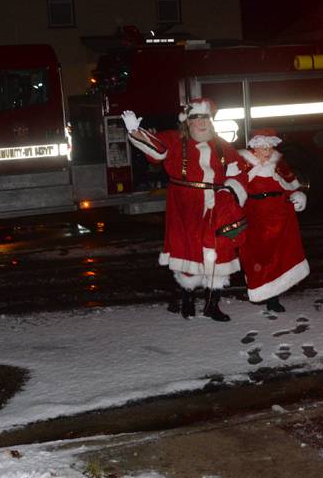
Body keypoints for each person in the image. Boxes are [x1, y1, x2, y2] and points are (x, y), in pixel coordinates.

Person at [122, 98, 248, 322]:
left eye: (204, 118)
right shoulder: (174, 139)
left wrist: (229, 191)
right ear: (187, 122)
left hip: (217, 206)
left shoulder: (222, 145)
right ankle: (187, 301)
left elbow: (238, 172)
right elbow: (157, 151)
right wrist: (135, 131)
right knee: (188, 250)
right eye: (195, 118)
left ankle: (212, 304)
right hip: (185, 205)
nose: (200, 123)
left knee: (219, 251)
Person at [238, 128, 309, 312]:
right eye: (263, 147)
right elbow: (236, 188)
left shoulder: (278, 164)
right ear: (254, 148)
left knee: (278, 256)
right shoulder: (244, 165)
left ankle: (273, 297)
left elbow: (289, 185)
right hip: (256, 219)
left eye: (270, 147)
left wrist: (297, 195)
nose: (267, 151)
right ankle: (261, 290)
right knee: (258, 256)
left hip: (279, 217)